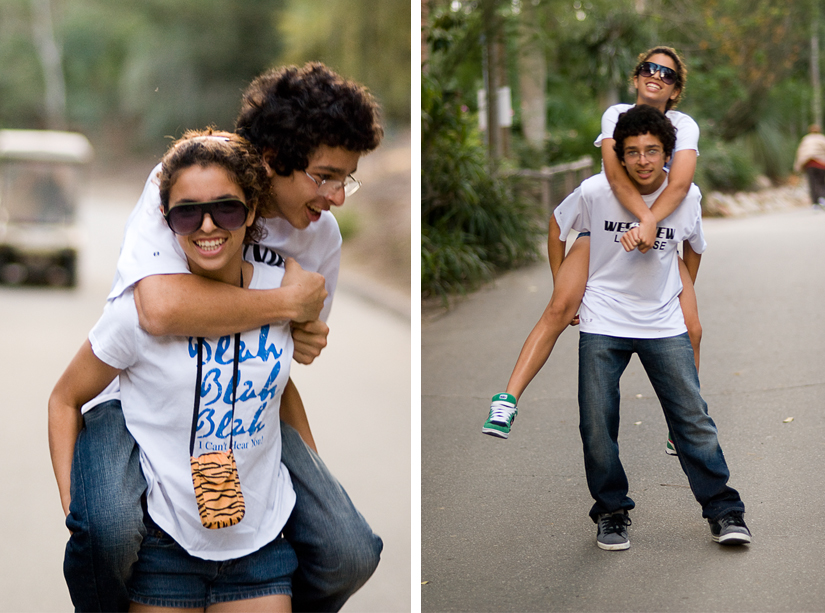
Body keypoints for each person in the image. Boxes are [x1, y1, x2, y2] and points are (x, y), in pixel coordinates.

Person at [61, 63, 384, 612]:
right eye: (325, 176)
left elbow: (297, 349)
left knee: (349, 549)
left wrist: (304, 330)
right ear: (273, 160)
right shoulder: (195, 184)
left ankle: (263, 585)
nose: (337, 197)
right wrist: (286, 302)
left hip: (249, 400)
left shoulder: (320, 237)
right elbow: (159, 309)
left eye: (345, 179)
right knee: (108, 533)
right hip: (149, 387)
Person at [50, 130, 303, 609]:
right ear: (167, 222)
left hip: (261, 543)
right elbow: (64, 399)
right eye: (187, 213)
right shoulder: (137, 313)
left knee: (351, 550)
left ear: (250, 211)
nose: (207, 226)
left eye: (226, 208)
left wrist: (316, 495)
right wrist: (78, 512)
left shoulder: (281, 291)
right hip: (163, 546)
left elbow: (280, 391)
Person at [483, 47, 700, 457]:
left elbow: (681, 185)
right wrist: (643, 221)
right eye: (648, 68)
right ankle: (507, 400)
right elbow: (616, 181)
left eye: (667, 73)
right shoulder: (615, 115)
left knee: (692, 328)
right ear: (636, 77)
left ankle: (682, 425)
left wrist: (652, 226)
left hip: (662, 233)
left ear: (675, 89)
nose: (656, 75)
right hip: (604, 227)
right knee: (559, 307)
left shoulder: (683, 125)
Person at [552, 104, 750, 550]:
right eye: (633, 151)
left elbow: (694, 247)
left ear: (667, 154)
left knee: (692, 418)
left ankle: (724, 510)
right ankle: (611, 512)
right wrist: (564, 291)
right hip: (604, 318)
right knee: (596, 423)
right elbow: (557, 226)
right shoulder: (595, 191)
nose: (643, 160)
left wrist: (678, 292)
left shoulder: (688, 197)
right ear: (619, 156)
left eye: (652, 151)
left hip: (663, 322)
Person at [793, 124, 825, 208]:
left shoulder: (806, 139)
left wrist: (798, 166)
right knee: (821, 182)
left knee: (812, 183)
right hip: (821, 164)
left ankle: (815, 203)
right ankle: (822, 198)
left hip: (809, 164)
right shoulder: (821, 138)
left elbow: (801, 152)